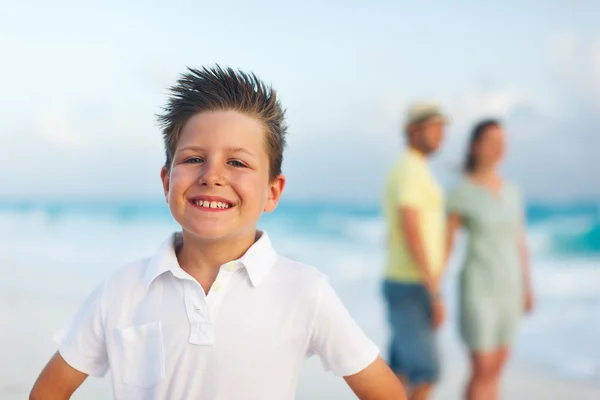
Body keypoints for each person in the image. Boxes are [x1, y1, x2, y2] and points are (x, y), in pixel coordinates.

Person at [29, 66, 406, 400]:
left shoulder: (304, 290)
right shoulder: (122, 290)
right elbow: (49, 391)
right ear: (166, 181)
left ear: (272, 192)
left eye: (237, 162)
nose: (212, 175)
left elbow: (384, 392)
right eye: (193, 159)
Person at [445, 119, 534, 400]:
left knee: (496, 368)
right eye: (492, 142)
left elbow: (519, 241)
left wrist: (527, 285)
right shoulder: (461, 192)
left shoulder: (513, 192)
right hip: (477, 288)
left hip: (510, 287)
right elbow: (446, 244)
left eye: (503, 143)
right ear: (474, 146)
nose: (499, 149)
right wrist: (433, 289)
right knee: (482, 366)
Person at [382, 101, 448, 400]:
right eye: (433, 127)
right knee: (426, 372)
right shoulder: (410, 169)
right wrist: (433, 290)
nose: (440, 135)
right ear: (413, 131)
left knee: (401, 372)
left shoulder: (414, 168)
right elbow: (411, 229)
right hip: (411, 283)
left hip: (407, 281)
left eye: (442, 128)